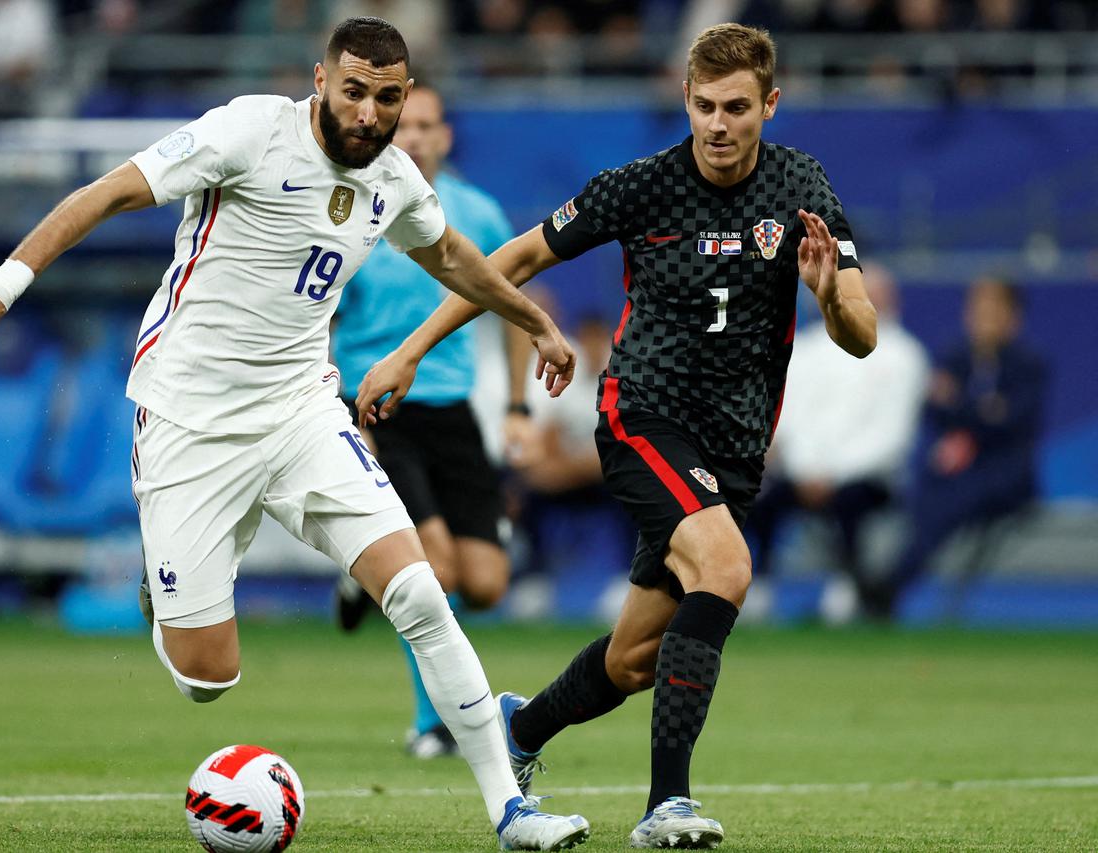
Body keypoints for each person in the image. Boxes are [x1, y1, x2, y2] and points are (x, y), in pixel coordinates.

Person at [0, 17, 590, 851]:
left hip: (300, 412)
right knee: (208, 679)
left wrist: (535, 323)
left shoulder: (394, 178)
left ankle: (510, 811)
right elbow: (112, 191)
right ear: (320, 80)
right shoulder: (250, 131)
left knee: (420, 591)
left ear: (405, 96)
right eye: (354, 91)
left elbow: (452, 254)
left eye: (387, 97)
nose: (369, 112)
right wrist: (1, 284)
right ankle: (167, 594)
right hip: (189, 422)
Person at [355, 23, 877, 848]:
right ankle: (668, 803)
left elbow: (862, 334)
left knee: (635, 659)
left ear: (770, 105)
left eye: (737, 107)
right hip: (643, 419)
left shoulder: (799, 184)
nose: (718, 124)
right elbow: (512, 259)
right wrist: (411, 350)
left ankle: (520, 728)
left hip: (733, 452)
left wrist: (828, 297)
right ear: (686, 100)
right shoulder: (642, 186)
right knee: (726, 565)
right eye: (704, 106)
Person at [329, 83, 522, 760]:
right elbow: (318, 317)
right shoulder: (353, 207)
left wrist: (519, 407)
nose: (412, 136)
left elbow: (512, 304)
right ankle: (432, 724)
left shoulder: (478, 213)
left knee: (486, 584)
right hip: (376, 406)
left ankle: (361, 578)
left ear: (444, 136)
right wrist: (337, 410)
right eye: (402, 125)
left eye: (426, 125)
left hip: (453, 411)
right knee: (434, 570)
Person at [744, 262, 928, 622]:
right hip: (803, 473)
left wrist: (833, 475)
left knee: (850, 503)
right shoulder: (806, 349)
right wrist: (806, 471)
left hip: (867, 479)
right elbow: (788, 416)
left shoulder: (906, 356)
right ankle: (759, 582)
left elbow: (892, 437)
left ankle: (847, 586)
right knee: (757, 496)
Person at [863, 276, 1047, 620]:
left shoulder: (1029, 363)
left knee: (951, 499)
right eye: (978, 307)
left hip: (1007, 475)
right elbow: (936, 410)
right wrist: (982, 411)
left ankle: (885, 587)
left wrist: (963, 409)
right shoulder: (955, 356)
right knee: (927, 493)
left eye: (993, 308)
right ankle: (880, 587)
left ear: (1013, 316)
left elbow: (1010, 423)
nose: (983, 316)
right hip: (956, 473)